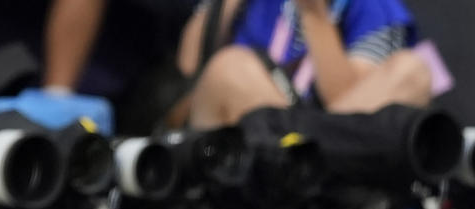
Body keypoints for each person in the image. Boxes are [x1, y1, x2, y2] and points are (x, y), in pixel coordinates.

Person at [177, 0, 434, 129]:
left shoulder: (376, 8)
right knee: (230, 69)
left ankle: (302, 160)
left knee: (411, 70)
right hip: (242, 145)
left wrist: (314, 15)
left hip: (326, 150)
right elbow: (189, 63)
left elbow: (350, 110)